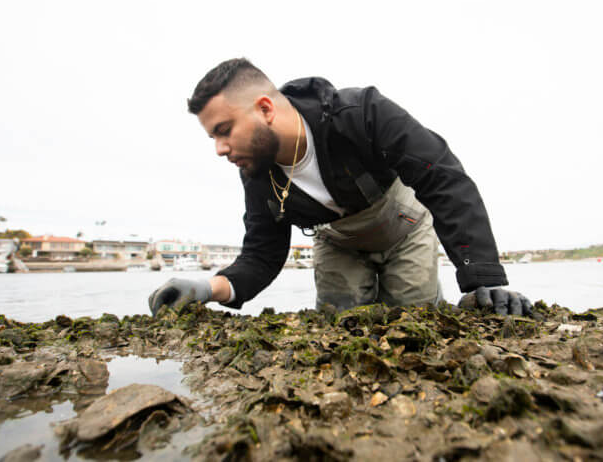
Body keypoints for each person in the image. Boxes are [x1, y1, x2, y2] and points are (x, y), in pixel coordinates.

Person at [148, 58, 531, 316]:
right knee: (341, 323)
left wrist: (485, 280)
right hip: (338, 244)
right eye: (213, 138)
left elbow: (443, 178)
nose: (219, 149)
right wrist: (204, 290)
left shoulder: (362, 113)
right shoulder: (256, 173)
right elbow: (262, 256)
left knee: (416, 318)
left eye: (224, 131)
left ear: (265, 109)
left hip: (405, 230)